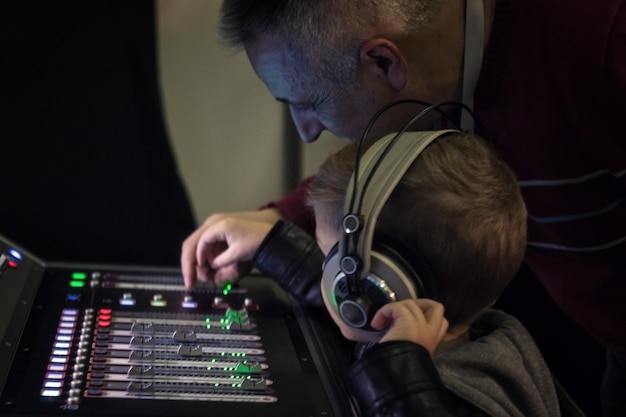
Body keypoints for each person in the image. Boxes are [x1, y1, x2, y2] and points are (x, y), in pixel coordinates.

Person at [184, 1, 626, 415]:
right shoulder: (429, 92)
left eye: (309, 104)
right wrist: (277, 225)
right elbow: (398, 194)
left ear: (383, 62)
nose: (307, 133)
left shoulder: (604, 42)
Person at [183, 130, 584, 416]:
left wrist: (400, 369)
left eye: (330, 261)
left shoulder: (468, 393)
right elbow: (350, 313)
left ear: (382, 288)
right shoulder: (483, 341)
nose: (329, 279)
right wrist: (272, 243)